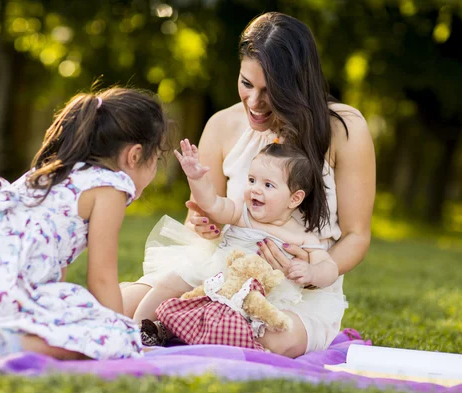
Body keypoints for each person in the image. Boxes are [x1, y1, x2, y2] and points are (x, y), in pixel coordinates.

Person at [122, 12, 375, 357]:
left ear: (298, 86)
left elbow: (357, 235)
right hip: (217, 271)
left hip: (298, 291)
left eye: (270, 92)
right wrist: (203, 226)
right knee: (122, 306)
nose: (254, 103)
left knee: (272, 339)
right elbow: (201, 221)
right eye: (246, 84)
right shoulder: (221, 125)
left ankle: (187, 333)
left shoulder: (344, 129)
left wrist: (313, 272)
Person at [0, 87, 171, 361]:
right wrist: (121, 337)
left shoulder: (54, 173)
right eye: (157, 158)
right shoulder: (110, 188)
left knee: (72, 311)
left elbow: (55, 273)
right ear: (135, 156)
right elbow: (101, 278)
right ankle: (13, 344)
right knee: (105, 341)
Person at [133, 139, 345, 328]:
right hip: (213, 273)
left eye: (268, 185)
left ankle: (172, 331)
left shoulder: (302, 237)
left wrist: (312, 272)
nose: (255, 189)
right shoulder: (241, 213)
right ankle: (137, 328)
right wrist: (196, 179)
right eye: (252, 180)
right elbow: (212, 203)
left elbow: (329, 268)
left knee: (244, 322)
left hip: (253, 294)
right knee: (170, 282)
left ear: (294, 198)